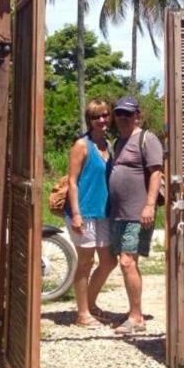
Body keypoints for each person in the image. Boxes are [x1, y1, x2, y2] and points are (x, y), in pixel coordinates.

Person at [108, 95, 163, 335]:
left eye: (127, 114)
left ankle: (136, 317)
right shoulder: (118, 142)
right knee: (127, 263)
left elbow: (156, 173)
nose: (122, 118)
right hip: (118, 214)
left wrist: (149, 205)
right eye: (119, 113)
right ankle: (134, 310)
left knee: (127, 262)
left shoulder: (147, 139)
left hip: (137, 213)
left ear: (137, 115)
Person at [65, 99, 118, 327]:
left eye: (105, 115)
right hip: (83, 212)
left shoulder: (108, 146)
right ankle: (82, 314)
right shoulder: (82, 145)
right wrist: (76, 214)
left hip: (103, 212)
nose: (102, 120)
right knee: (85, 262)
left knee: (108, 261)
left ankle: (90, 303)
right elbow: (72, 181)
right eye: (96, 117)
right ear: (89, 120)